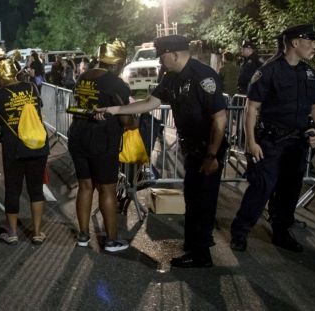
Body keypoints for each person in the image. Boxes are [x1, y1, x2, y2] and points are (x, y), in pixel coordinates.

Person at [101, 35, 227, 267]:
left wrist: (212, 156)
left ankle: (201, 255)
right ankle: (192, 244)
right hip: (192, 148)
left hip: (208, 149)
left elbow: (219, 119)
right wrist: (116, 109)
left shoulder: (203, 76)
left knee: (203, 201)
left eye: (162, 56)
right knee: (192, 197)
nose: (160, 61)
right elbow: (151, 103)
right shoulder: (172, 78)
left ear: (175, 53)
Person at [230, 25, 315, 253]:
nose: (314, 46)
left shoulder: (308, 72)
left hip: (297, 143)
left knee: (290, 190)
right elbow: (251, 108)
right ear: (294, 43)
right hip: (271, 141)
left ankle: (282, 232)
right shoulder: (269, 71)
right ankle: (240, 232)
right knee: (262, 187)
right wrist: (251, 142)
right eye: (309, 41)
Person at [69, 40, 132, 252]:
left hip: (78, 136)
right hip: (102, 140)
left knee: (85, 186)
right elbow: (125, 119)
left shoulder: (83, 77)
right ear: (116, 64)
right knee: (107, 189)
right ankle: (112, 240)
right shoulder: (116, 83)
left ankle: (84, 235)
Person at [0, 57, 49, 245]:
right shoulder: (31, 88)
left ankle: (12, 232)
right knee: (36, 190)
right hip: (37, 145)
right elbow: (38, 107)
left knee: (13, 189)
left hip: (14, 148)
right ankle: (37, 232)